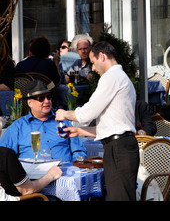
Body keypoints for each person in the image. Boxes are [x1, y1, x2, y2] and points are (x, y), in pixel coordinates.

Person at [56, 41, 139, 201]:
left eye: (93, 63)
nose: (93, 68)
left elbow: (86, 114)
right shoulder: (121, 77)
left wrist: (64, 113)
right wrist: (80, 131)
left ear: (102, 56)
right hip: (121, 147)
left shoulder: (111, 77)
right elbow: (113, 125)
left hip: (118, 149)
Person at [0, 80, 87, 162]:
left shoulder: (63, 122)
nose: (47, 101)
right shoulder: (18, 127)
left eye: (49, 97)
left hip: (64, 173)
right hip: (33, 175)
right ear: (30, 103)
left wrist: (76, 167)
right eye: (41, 98)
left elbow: (79, 151)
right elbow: (4, 156)